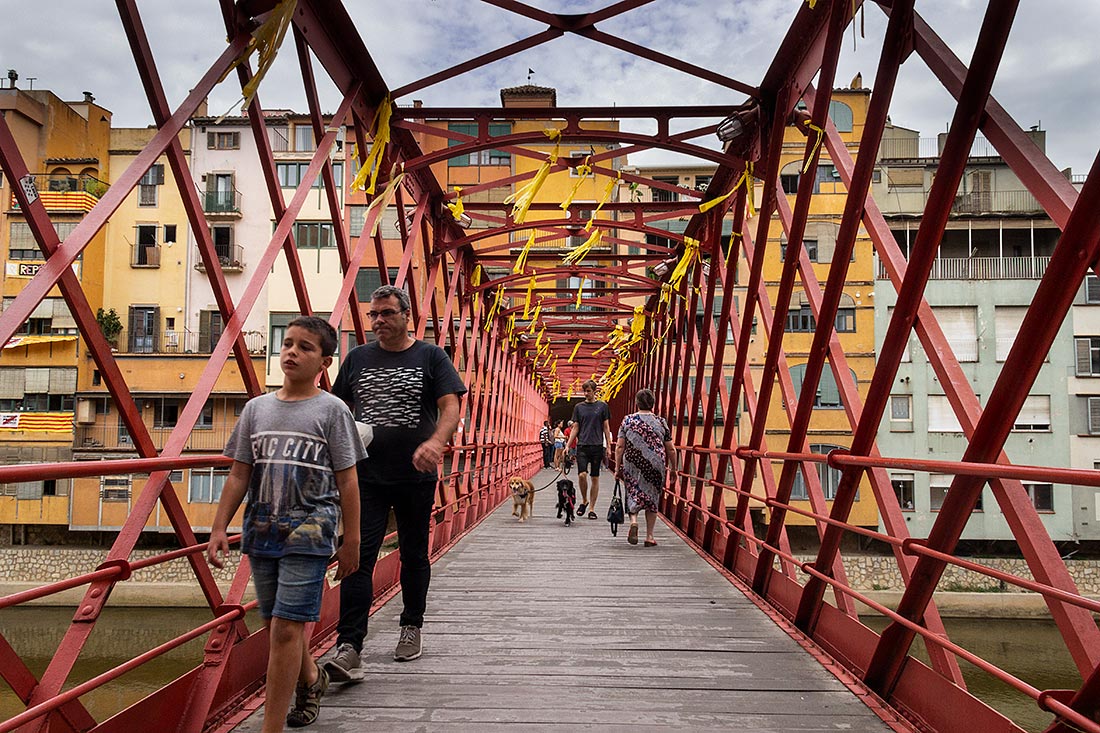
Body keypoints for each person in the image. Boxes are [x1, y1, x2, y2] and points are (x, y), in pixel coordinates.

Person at [207, 316, 363, 731]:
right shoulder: (256, 409)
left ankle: (270, 727)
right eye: (287, 343)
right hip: (262, 528)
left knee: (285, 631)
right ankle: (312, 679)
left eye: (305, 347)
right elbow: (240, 473)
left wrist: (353, 541)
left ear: (325, 362)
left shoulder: (333, 411)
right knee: (277, 623)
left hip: (312, 530)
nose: (292, 351)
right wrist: (219, 527)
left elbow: (348, 479)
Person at [326, 285, 467, 680]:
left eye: (386, 313)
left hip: (415, 475)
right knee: (357, 556)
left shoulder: (431, 356)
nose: (378, 322)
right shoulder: (356, 359)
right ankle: (349, 645)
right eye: (373, 315)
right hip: (364, 476)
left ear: (407, 315)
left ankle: (411, 626)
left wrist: (437, 442)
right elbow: (338, 409)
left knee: (414, 554)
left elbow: (451, 405)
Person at [614, 388, 676, 547]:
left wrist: (617, 467)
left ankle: (634, 521)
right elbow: (670, 449)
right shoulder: (661, 422)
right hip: (655, 464)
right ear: (653, 404)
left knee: (633, 491)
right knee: (652, 498)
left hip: (633, 462)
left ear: (637, 403)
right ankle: (649, 536)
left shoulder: (628, 420)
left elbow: (620, 447)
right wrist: (674, 469)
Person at [566, 380, 613, 520]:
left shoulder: (602, 406)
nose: (586, 394)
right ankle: (584, 500)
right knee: (582, 475)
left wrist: (609, 446)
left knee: (595, 477)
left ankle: (591, 508)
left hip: (597, 446)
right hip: (582, 446)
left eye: (588, 391)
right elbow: (575, 427)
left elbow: (606, 427)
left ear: (594, 391)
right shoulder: (579, 407)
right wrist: (568, 445)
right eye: (584, 391)